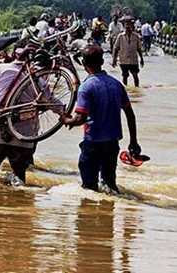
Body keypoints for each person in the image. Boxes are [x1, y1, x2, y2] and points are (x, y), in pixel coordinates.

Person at [59, 44, 142, 193]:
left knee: (89, 188)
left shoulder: (86, 87)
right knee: (110, 185)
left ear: (84, 64)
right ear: (102, 61)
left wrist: (66, 120)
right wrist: (133, 141)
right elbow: (130, 115)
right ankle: (108, 214)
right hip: (112, 143)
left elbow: (80, 119)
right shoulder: (117, 85)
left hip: (93, 143)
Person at [0, 51, 37, 185]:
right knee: (20, 175)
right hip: (24, 134)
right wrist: (64, 115)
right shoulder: (35, 76)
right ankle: (19, 202)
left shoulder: (0, 69)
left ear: (13, 55)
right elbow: (50, 99)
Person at [112, 16, 144, 87]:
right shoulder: (120, 36)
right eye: (126, 24)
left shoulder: (136, 36)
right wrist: (114, 59)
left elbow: (139, 48)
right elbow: (116, 48)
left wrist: (141, 58)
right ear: (124, 26)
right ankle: (125, 89)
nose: (128, 26)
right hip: (123, 59)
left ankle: (136, 88)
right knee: (125, 76)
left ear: (132, 26)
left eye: (129, 24)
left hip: (133, 60)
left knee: (135, 75)